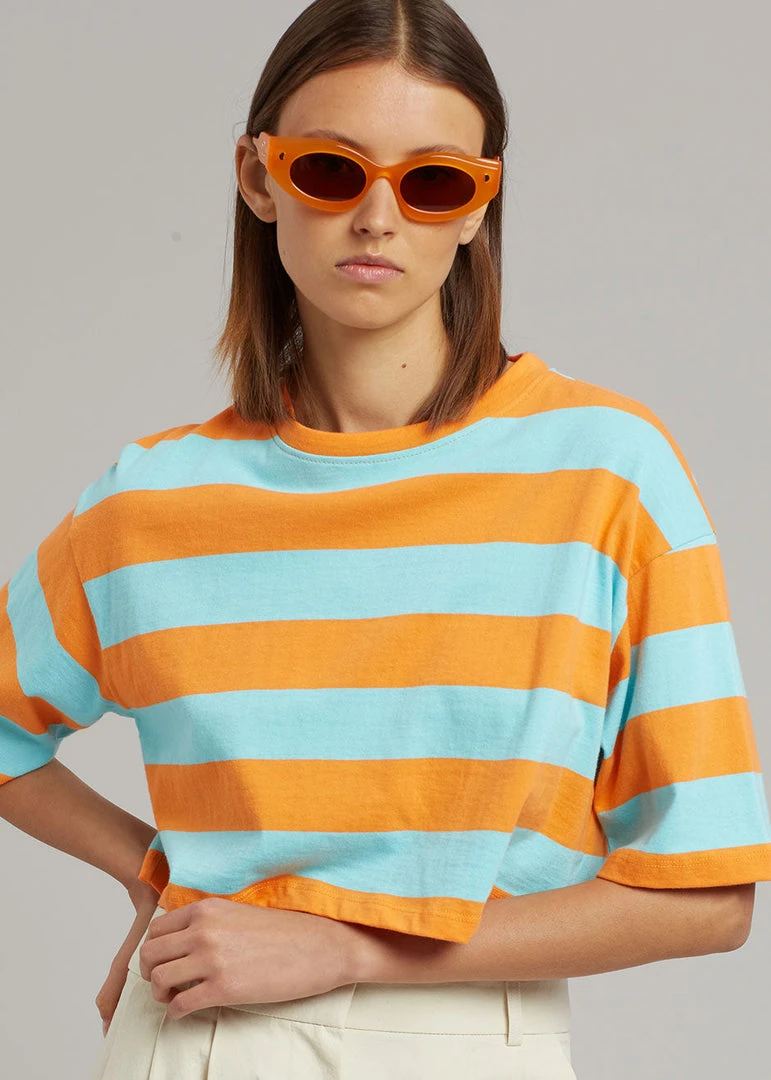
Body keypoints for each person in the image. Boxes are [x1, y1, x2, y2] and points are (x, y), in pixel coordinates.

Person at [1, 1, 770, 1078]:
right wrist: (152, 872)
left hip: (469, 1039)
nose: (377, 216)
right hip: (204, 1036)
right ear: (258, 177)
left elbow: (709, 894)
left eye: (432, 182)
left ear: (478, 206)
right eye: (330, 170)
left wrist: (348, 949)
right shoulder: (153, 502)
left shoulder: (607, 475)